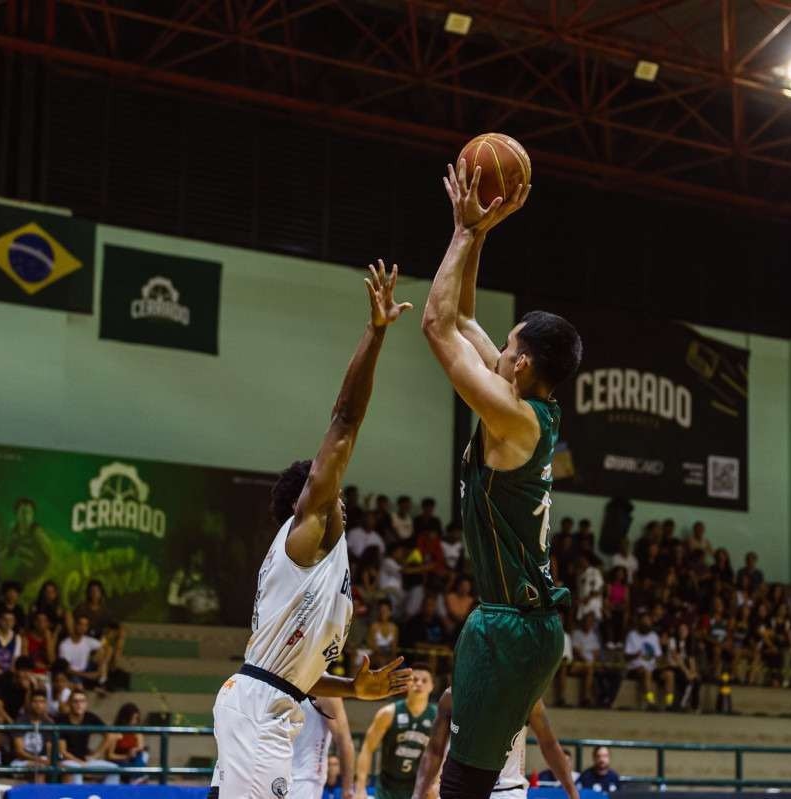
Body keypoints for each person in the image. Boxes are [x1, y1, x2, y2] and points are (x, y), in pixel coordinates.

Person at [210, 263, 414, 799]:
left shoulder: (318, 562)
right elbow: (345, 418)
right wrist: (375, 332)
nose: (342, 490)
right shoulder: (308, 535)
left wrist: (352, 687)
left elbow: (294, 670)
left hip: (266, 701)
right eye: (333, 487)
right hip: (259, 713)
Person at [424, 159, 580, 797]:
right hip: (524, 622)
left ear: (519, 365)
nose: (500, 347)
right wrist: (482, 231)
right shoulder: (529, 405)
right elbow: (462, 318)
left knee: (463, 786)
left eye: (508, 345)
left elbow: (436, 325)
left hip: (510, 625)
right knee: (475, 779)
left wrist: (461, 234)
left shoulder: (513, 419)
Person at [412, 686, 578, 799]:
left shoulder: (526, 696)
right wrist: (418, 794)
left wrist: (573, 793)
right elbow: (434, 750)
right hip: (460, 790)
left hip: (506, 791)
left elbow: (549, 744)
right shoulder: (454, 694)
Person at [355, 666, 436, 799]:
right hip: (388, 785)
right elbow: (367, 748)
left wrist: (436, 783)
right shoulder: (388, 713)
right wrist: (360, 788)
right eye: (414, 679)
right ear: (407, 683)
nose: (419, 683)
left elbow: (440, 754)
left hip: (419, 786)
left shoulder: (436, 716)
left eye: (424, 680)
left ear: (432, 686)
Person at [291, 699, 354, 799]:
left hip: (304, 779)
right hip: (274, 771)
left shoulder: (325, 692)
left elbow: (344, 741)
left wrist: (347, 789)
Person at [57, 689, 121, 784]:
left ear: (86, 704)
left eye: (82, 701)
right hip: (67, 761)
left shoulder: (90, 717)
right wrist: (80, 763)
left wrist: (96, 755)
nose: (79, 704)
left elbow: (110, 735)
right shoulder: (62, 721)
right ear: (70, 703)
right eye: (76, 701)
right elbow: (63, 752)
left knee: (114, 769)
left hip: (85, 761)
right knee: (76, 770)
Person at [625, 612, 674, 711]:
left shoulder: (653, 636)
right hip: (636, 668)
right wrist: (636, 655)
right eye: (645, 622)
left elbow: (658, 656)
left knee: (669, 674)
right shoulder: (632, 635)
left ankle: (669, 703)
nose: (647, 624)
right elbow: (626, 656)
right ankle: (650, 701)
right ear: (639, 623)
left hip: (652, 667)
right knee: (647, 671)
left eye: (649, 622)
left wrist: (664, 663)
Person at [11, 692, 55, 782]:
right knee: (40, 768)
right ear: (30, 704)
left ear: (46, 704)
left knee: (65, 768)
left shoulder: (49, 723)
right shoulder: (20, 721)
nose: (38, 705)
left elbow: (49, 748)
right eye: (35, 702)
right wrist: (37, 760)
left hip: (42, 759)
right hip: (21, 761)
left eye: (42, 702)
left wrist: (50, 761)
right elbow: (19, 751)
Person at [58, 614, 107, 688]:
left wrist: (99, 669)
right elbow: (66, 669)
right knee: (78, 686)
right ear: (75, 625)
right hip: (73, 674)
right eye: (80, 624)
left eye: (85, 625)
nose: (82, 627)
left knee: (101, 651)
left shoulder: (87, 640)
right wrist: (87, 675)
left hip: (86, 668)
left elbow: (104, 646)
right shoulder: (65, 645)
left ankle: (102, 681)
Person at [103, 703, 149, 780]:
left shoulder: (137, 732)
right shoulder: (116, 733)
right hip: (120, 761)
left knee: (140, 756)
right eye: (133, 719)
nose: (135, 722)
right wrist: (126, 756)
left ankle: (138, 777)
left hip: (134, 760)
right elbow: (110, 755)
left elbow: (141, 746)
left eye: (137, 719)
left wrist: (135, 750)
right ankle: (138, 778)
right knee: (131, 766)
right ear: (125, 718)